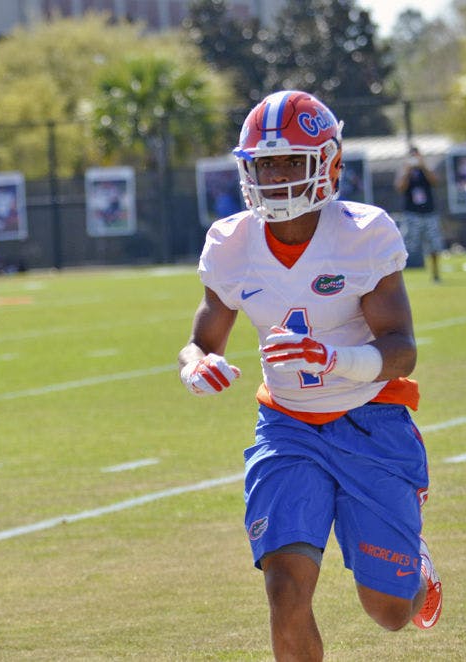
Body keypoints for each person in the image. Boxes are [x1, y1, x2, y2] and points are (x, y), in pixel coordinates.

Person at [177, 91, 442, 660]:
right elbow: (202, 339)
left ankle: (416, 573)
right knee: (284, 588)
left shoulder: (363, 233)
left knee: (389, 611)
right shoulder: (230, 242)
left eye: (290, 160)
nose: (274, 175)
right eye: (264, 162)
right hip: (287, 426)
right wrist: (196, 365)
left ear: (328, 163)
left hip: (369, 420)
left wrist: (332, 358)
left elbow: (401, 351)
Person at [395, 146, 444, 282]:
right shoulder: (405, 171)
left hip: (429, 212)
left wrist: (423, 166)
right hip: (412, 213)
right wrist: (407, 170)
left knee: (434, 245)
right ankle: (398, 275)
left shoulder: (425, 169)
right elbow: (399, 187)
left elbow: (435, 181)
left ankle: (436, 274)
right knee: (405, 245)